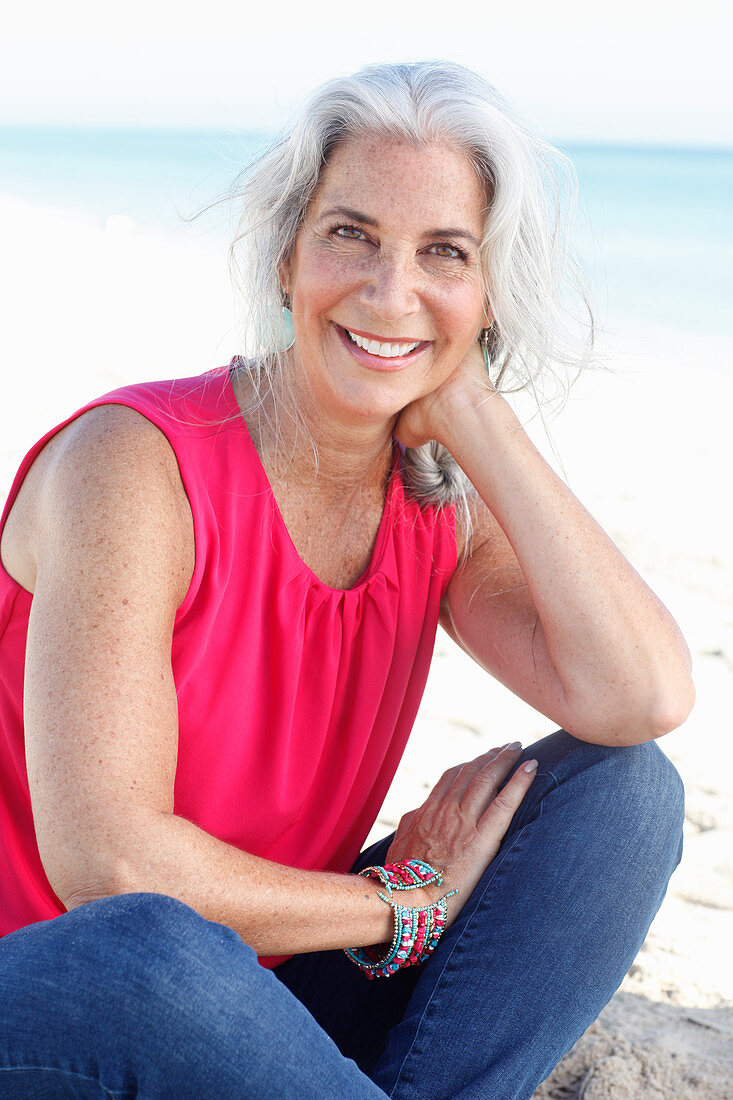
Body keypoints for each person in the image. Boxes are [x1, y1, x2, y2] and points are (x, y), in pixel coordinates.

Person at [0, 61, 693, 1099]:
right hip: (68, 989)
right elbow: (112, 868)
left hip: (257, 998)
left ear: (489, 291)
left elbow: (641, 694)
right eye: (351, 234)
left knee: (623, 792)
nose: (389, 288)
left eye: (444, 254)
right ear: (287, 255)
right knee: (155, 942)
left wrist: (474, 413)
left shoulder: (435, 505)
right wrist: (399, 905)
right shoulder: (133, 463)